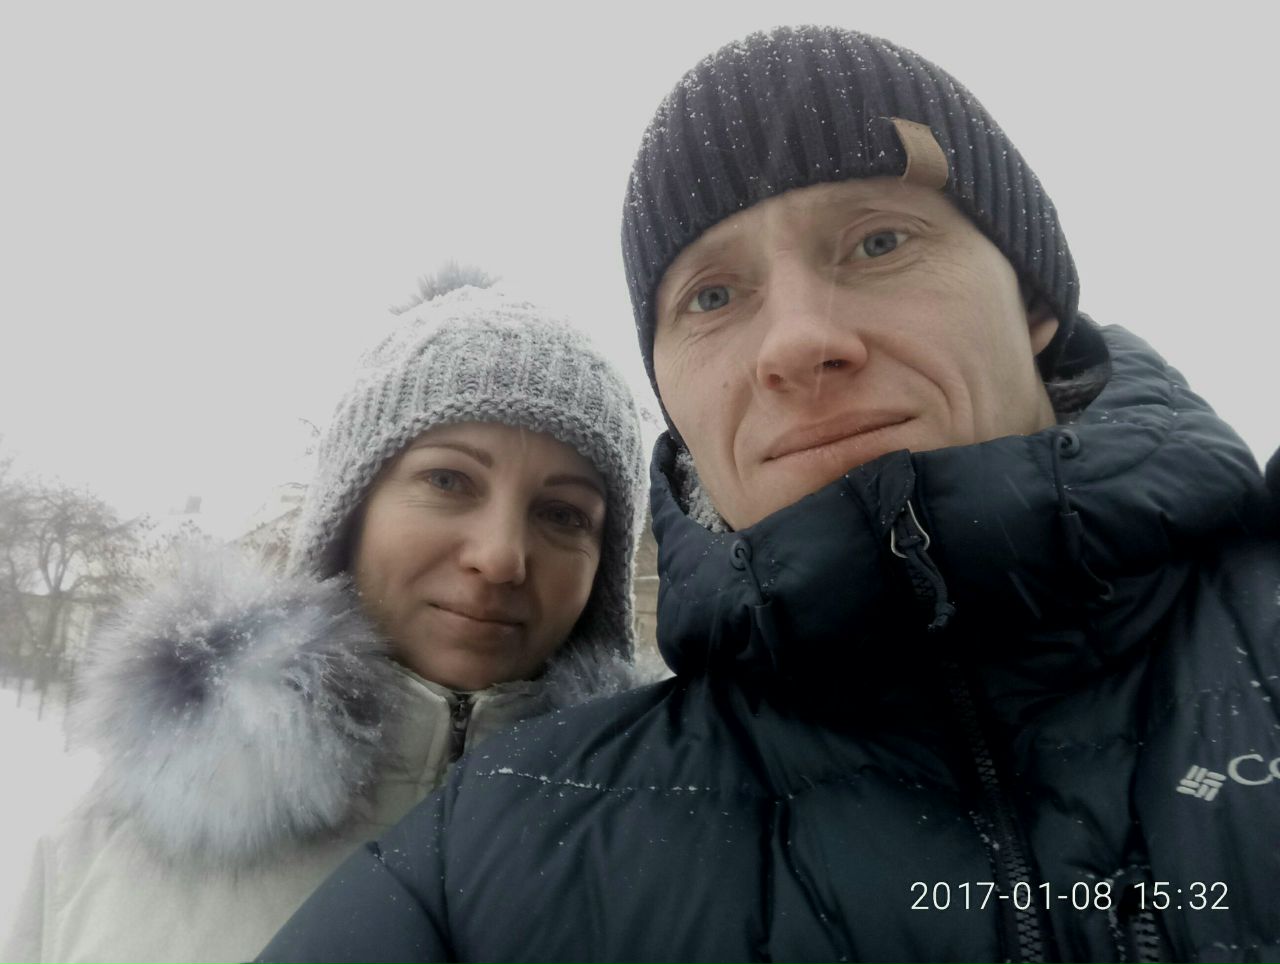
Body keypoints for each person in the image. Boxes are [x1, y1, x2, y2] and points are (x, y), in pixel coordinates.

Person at [259, 27, 1280, 963]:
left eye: (878, 242)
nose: (794, 342)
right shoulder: (487, 858)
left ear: (1036, 301)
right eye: (711, 295)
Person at [0, 275, 647, 964]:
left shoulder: (665, 862)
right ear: (350, 512)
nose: (499, 557)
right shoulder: (106, 848)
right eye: (448, 480)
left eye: (563, 514)